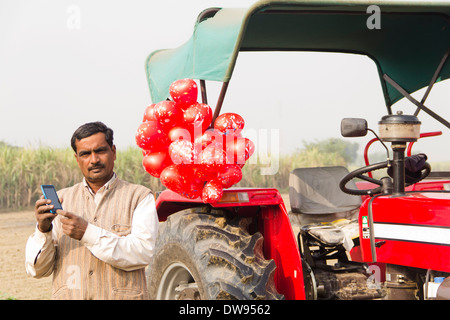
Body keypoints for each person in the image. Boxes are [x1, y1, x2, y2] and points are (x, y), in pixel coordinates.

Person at [25, 121, 159, 300]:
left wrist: (87, 233)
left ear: (114, 152)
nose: (94, 160)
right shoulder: (60, 200)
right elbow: (38, 271)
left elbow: (143, 253)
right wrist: (43, 230)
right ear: (77, 159)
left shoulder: (140, 197)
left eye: (100, 151)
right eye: (85, 154)